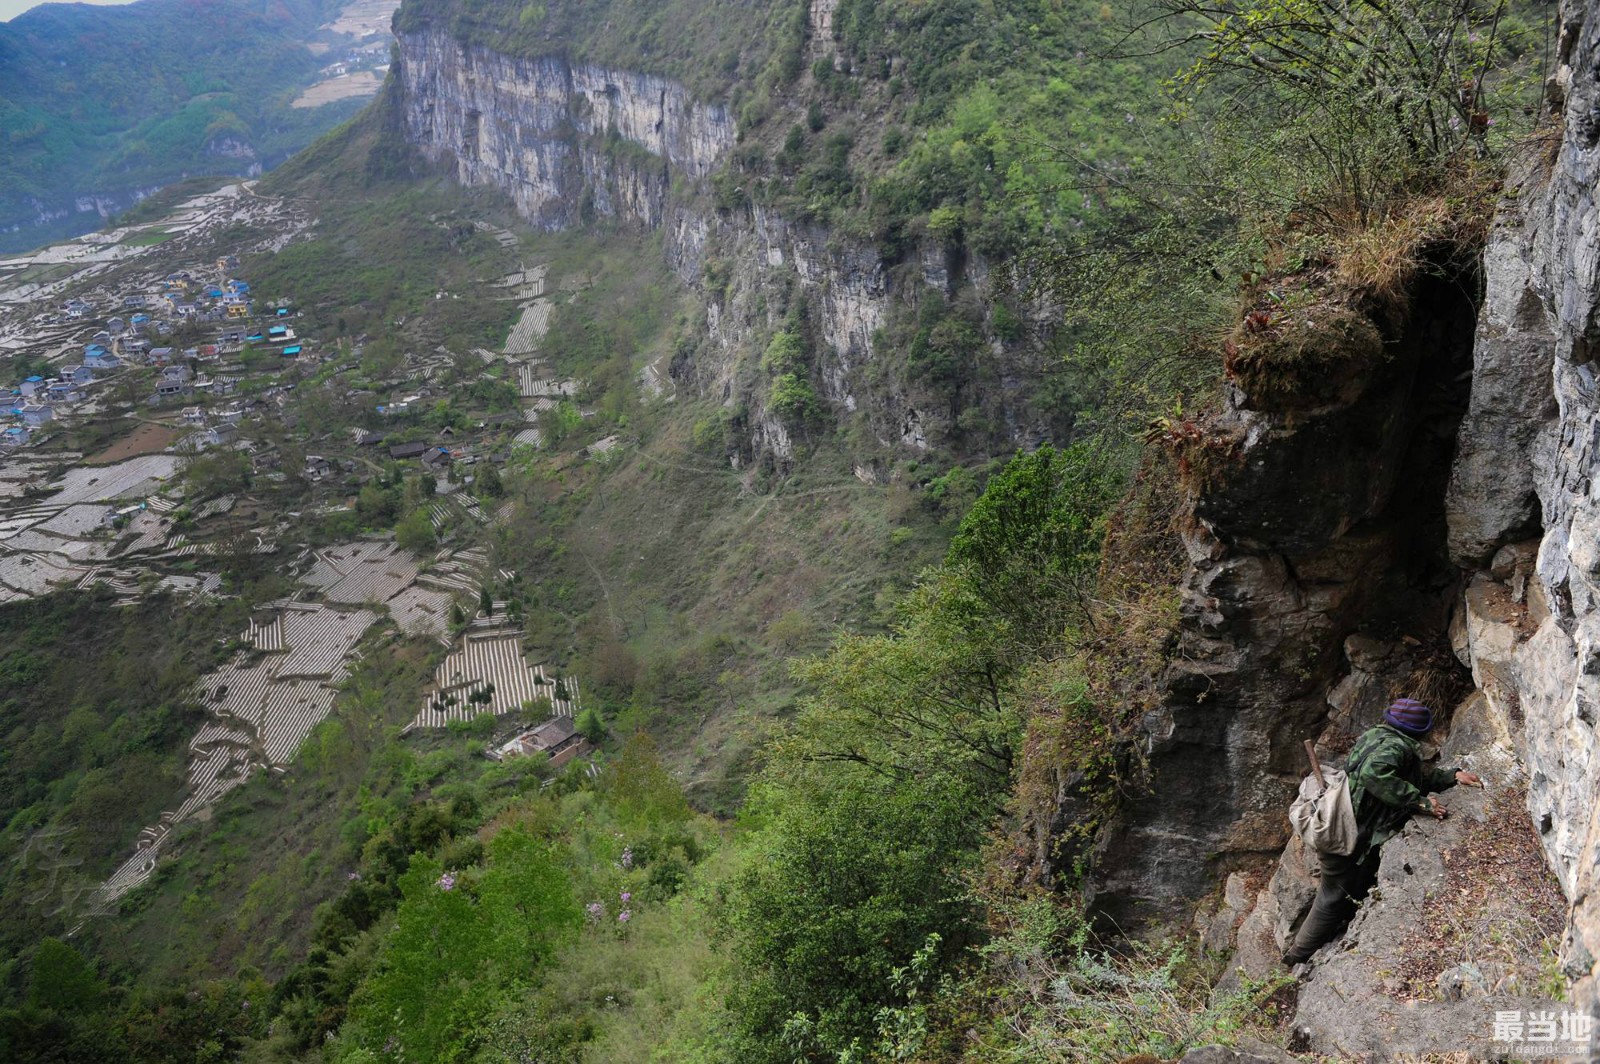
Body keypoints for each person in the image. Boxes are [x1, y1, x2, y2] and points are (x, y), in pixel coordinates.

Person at [1282, 698, 1482, 965]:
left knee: (1351, 883)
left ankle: (1341, 915)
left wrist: (1451, 776)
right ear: (1419, 731)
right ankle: (1297, 956)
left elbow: (1410, 777)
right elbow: (1374, 775)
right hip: (1346, 831)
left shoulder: (1378, 735)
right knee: (1332, 896)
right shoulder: (1396, 747)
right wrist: (1419, 802)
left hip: (1350, 822)